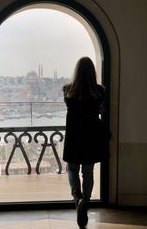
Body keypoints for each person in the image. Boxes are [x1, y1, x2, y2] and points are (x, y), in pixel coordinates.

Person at [63, 57, 110, 228]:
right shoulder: (99, 91)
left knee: (72, 169)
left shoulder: (67, 90)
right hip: (90, 137)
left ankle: (78, 198)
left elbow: (74, 108)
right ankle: (86, 201)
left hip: (74, 136)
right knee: (88, 172)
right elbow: (96, 108)